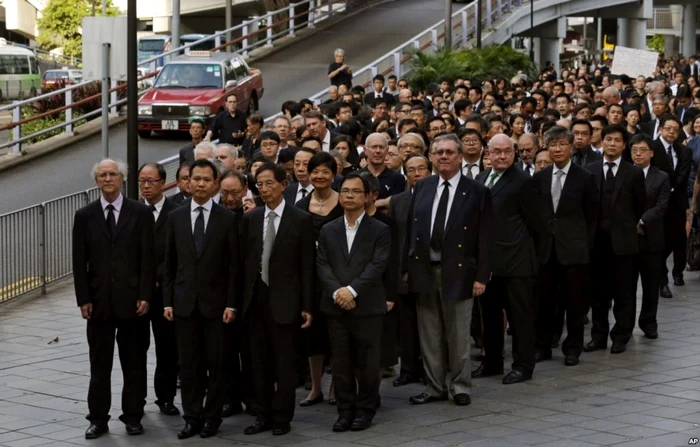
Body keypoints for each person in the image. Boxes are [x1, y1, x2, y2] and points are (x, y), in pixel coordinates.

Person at [405, 134, 494, 407]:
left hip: (459, 270)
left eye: (449, 152)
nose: (443, 156)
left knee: (457, 332)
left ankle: (460, 385)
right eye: (438, 152)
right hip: (424, 269)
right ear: (431, 156)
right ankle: (434, 387)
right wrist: (407, 268)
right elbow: (411, 230)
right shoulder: (423, 187)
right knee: (429, 333)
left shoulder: (477, 191)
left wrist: (481, 276)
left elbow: (486, 236)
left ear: (459, 156)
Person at [72, 159, 155, 439]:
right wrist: (83, 298)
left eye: (113, 174)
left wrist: (145, 294)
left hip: (133, 303)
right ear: (97, 181)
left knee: (134, 364)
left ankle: (132, 416)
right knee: (99, 367)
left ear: (123, 179)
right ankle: (98, 418)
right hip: (98, 305)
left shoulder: (141, 213)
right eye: (102, 175)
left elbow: (148, 259)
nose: (108, 179)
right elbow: (78, 261)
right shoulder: (84, 215)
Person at [163, 158, 239, 439]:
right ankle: (191, 416)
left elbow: (234, 267)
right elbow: (169, 264)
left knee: (217, 365)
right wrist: (168, 301)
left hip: (218, 307)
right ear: (188, 181)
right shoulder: (176, 217)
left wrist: (231, 303)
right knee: (189, 365)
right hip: (184, 304)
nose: (201, 184)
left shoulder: (227, 219)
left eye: (207, 180)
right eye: (196, 179)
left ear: (215, 184)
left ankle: (212, 417)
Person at [240, 163, 315, 436]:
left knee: (284, 362)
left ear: (284, 184)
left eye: (269, 183)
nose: (264, 189)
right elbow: (244, 263)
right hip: (255, 298)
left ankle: (282, 416)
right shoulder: (250, 219)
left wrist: (307, 305)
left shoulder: (300, 219)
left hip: (286, 299)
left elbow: (307, 266)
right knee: (257, 361)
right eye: (260, 184)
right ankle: (262, 414)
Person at [317, 172, 391, 432]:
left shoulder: (380, 229)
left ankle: (365, 410)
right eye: (345, 191)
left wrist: (352, 290)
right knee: (340, 362)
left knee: (368, 363)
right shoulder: (329, 228)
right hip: (336, 306)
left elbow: (378, 264)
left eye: (355, 191)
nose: (349, 196)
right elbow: (323, 265)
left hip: (368, 305)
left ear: (369, 196)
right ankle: (344, 411)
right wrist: (338, 292)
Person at [472, 135, 539, 384]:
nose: (501, 156)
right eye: (496, 152)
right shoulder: (481, 178)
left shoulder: (523, 181)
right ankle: (492, 363)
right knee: (490, 315)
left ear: (515, 153)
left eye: (506, 152)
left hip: (517, 261)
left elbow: (537, 221)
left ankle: (523, 365)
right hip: (489, 262)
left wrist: (532, 257)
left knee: (519, 316)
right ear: (487, 153)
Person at [533, 126, 598, 366]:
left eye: (562, 144)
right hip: (546, 250)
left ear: (571, 147)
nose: (557, 149)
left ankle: (573, 348)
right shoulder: (539, 177)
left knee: (575, 304)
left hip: (575, 251)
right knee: (544, 302)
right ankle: (542, 345)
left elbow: (591, 216)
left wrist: (584, 246)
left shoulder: (585, 177)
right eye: (552, 145)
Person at [584, 124, 646, 355]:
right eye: (608, 139)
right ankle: (598, 337)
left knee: (624, 293)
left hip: (623, 243)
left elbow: (641, 205)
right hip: (596, 243)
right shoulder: (589, 170)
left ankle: (621, 335)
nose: (612, 144)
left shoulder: (634, 172)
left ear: (624, 145)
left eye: (617, 140)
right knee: (598, 294)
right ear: (602, 141)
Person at [295, 153, 344, 408]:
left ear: (334, 175)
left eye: (325, 172)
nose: (319, 176)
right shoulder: (301, 205)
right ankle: (315, 388)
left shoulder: (343, 202)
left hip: (337, 276)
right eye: (315, 171)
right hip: (310, 278)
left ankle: (337, 386)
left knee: (336, 333)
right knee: (313, 335)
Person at [138, 163, 180, 416]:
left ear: (163, 183)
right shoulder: (132, 212)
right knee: (136, 348)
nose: (146, 186)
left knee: (167, 348)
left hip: (167, 293)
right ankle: (136, 399)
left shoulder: (176, 213)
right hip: (139, 295)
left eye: (151, 181)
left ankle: (166, 397)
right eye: (142, 181)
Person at [388, 154, 432, 386]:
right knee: (405, 325)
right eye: (411, 170)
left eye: (421, 169)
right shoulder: (398, 201)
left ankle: (430, 369)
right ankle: (407, 370)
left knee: (428, 325)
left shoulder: (437, 197)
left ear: (429, 171)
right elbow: (395, 239)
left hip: (429, 271)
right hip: (403, 270)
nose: (417, 174)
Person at [629, 133, 670, 340]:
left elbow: (661, 206)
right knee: (626, 286)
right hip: (627, 239)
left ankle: (648, 322)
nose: (638, 154)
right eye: (634, 150)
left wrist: (641, 221)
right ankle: (625, 325)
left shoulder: (661, 177)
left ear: (651, 153)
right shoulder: (624, 174)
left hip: (651, 238)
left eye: (642, 150)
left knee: (650, 285)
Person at [361, 133, 406, 209]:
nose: (378, 151)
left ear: (387, 150)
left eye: (381, 147)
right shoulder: (355, 177)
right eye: (374, 147)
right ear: (365, 150)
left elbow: (395, 204)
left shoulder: (397, 178)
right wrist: (384, 202)